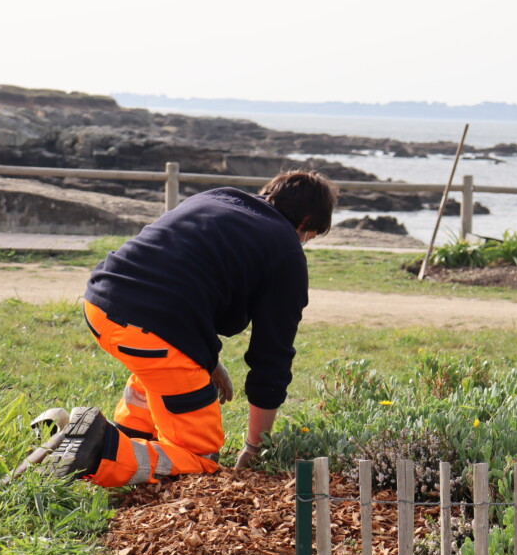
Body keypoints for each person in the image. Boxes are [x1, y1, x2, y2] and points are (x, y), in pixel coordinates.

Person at [45, 170, 338, 486]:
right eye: (308, 237)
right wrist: (255, 447)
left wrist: (206, 361)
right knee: (199, 459)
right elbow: (272, 359)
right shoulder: (286, 251)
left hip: (102, 303)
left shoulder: (218, 198)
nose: (303, 244)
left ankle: (109, 437)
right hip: (155, 332)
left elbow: (179, 273)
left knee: (157, 373)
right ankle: (94, 453)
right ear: (305, 221)